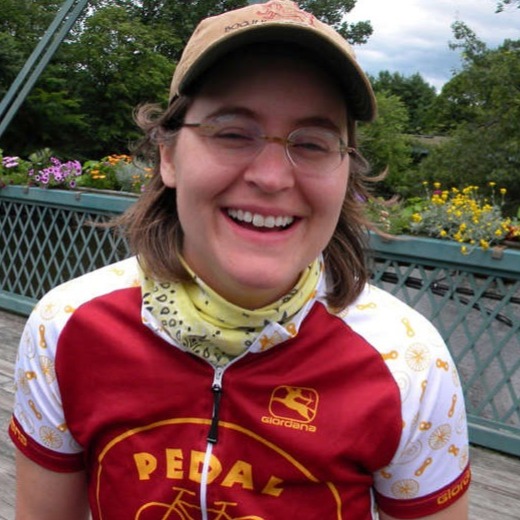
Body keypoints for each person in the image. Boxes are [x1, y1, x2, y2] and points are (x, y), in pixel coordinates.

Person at [9, 1, 470, 518]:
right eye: (232, 133)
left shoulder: (406, 361)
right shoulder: (67, 327)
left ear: (345, 172)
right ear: (168, 156)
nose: (272, 177)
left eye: (313, 143)